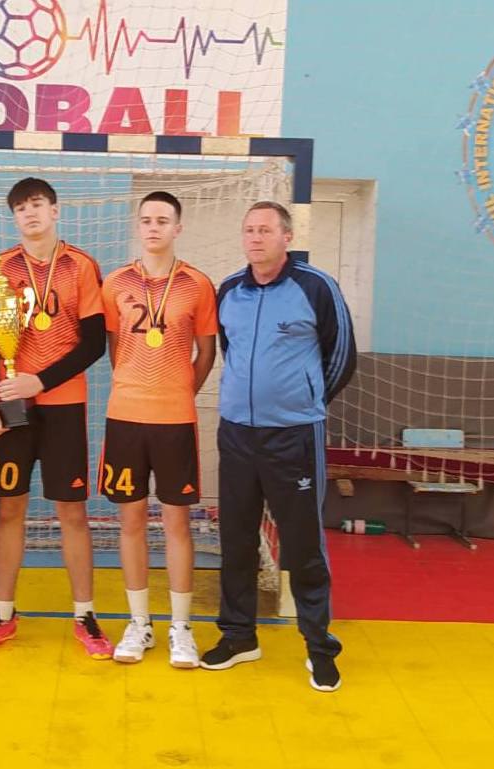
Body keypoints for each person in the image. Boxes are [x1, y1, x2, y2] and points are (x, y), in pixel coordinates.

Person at [200, 201, 356, 692]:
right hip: (237, 434)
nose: (255, 238)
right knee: (236, 539)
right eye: (249, 230)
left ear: (287, 237)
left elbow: (342, 356)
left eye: (265, 230)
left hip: (294, 436)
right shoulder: (230, 290)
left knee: (303, 544)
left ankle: (319, 647)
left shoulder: (316, 287)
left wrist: (305, 403)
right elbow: (231, 351)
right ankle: (239, 636)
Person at [0, 177, 113, 659]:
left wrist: (40, 381)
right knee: (8, 509)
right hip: (10, 403)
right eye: (21, 207)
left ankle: (85, 616)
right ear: (14, 217)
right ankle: (2, 615)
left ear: (55, 210)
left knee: (71, 511)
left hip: (63, 403)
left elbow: (93, 343)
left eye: (37, 204)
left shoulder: (81, 266)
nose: (30, 213)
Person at [99, 191, 217, 667]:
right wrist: (136, 384)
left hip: (175, 418)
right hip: (125, 416)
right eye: (146, 220)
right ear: (138, 226)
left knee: (176, 524)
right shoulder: (115, 283)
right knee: (129, 522)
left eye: (163, 220)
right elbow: (115, 347)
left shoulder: (197, 285)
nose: (153, 227)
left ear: (177, 228)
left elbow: (206, 352)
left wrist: (180, 390)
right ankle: (139, 623)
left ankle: (181, 628)